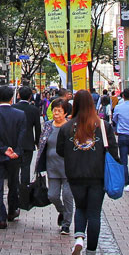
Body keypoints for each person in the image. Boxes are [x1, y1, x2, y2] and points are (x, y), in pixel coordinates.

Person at [56, 89, 119, 255]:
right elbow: (113, 151)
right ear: (92, 104)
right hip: (97, 176)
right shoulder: (103, 126)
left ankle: (78, 239)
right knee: (94, 213)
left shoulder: (67, 127)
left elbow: (60, 151)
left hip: (75, 174)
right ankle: (91, 253)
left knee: (80, 208)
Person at [0, 85, 26, 229]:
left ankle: (1, 217)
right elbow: (22, 134)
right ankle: (12, 211)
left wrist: (3, 149)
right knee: (13, 184)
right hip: (14, 156)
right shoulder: (20, 114)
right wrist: (15, 150)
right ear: (11, 98)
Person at [35, 98, 74, 234]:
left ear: (65, 113)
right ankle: (62, 211)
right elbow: (41, 144)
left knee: (68, 196)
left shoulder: (71, 126)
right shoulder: (48, 125)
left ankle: (66, 224)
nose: (56, 113)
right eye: (54, 110)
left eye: (59, 111)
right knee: (52, 195)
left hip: (68, 167)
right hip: (52, 166)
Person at [12, 86, 42, 205]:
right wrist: (37, 141)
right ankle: (24, 193)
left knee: (14, 169)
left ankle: (15, 190)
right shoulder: (34, 110)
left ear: (18, 95)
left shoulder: (13, 107)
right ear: (30, 96)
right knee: (25, 168)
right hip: (28, 143)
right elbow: (38, 128)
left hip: (15, 143)